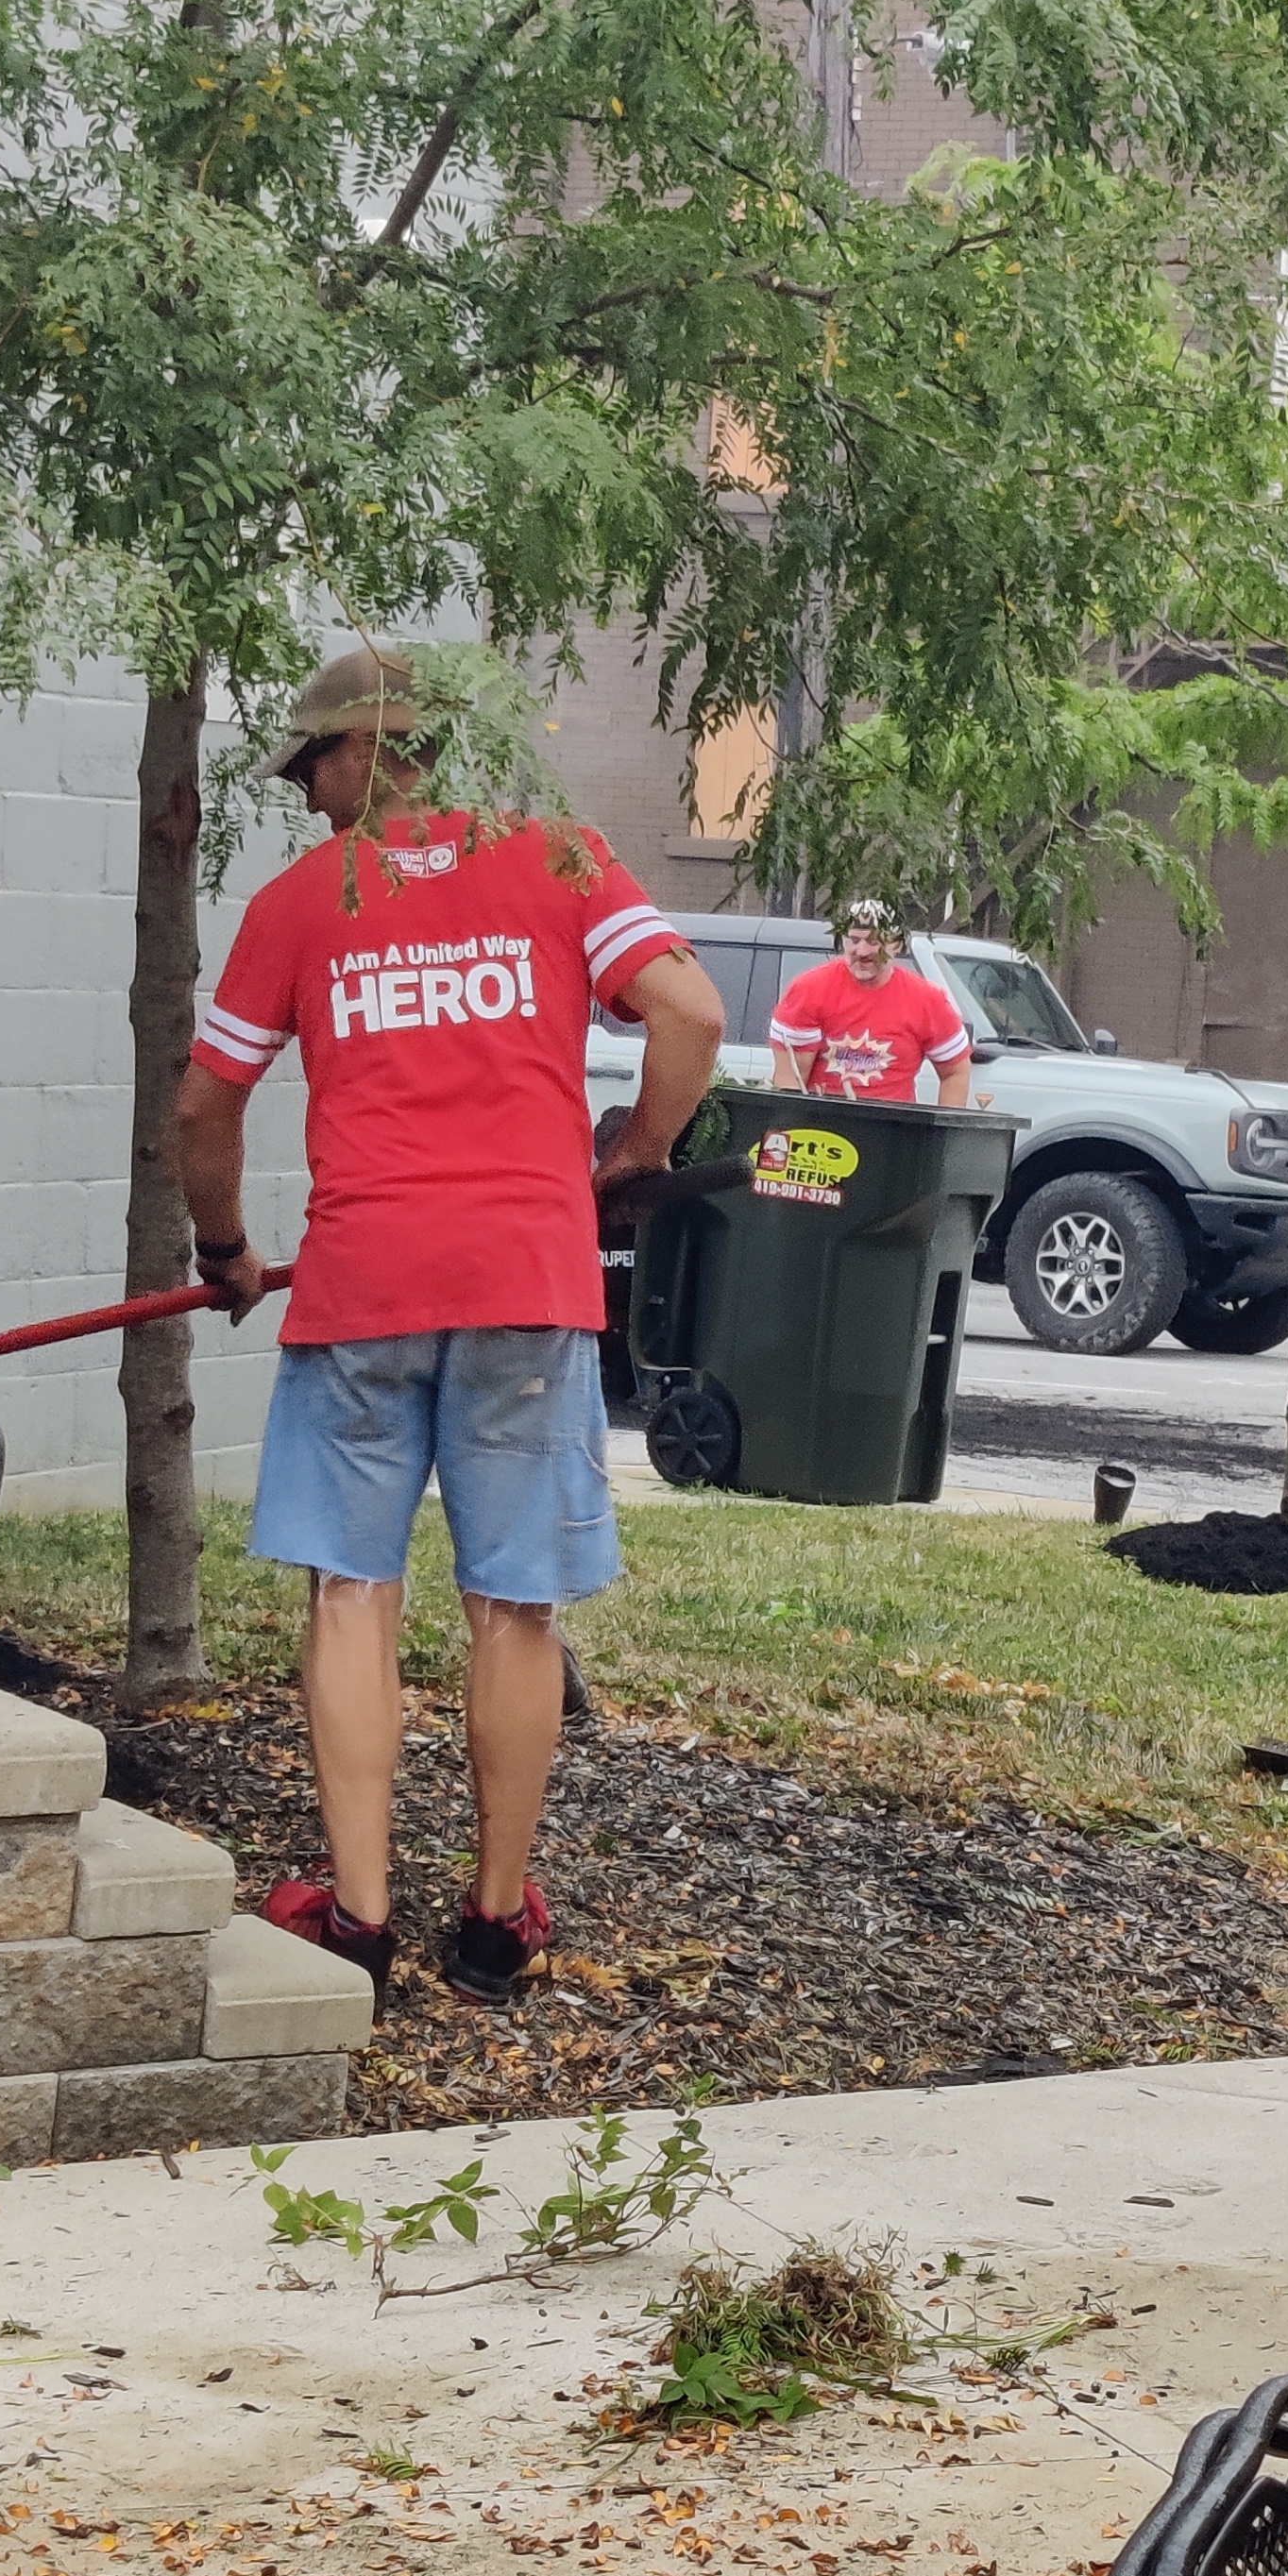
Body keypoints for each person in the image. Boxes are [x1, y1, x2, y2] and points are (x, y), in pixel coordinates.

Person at [176, 648, 724, 2008]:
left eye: (312, 772)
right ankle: (491, 1927)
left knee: (352, 1593)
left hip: (363, 1288)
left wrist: (228, 1249)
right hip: (526, 1288)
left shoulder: (306, 903)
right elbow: (692, 1012)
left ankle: (358, 1918)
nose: (308, 802)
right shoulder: (559, 859)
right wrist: (643, 1150)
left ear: (364, 757)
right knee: (513, 1604)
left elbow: (205, 1104)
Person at [768, 899, 976, 1108]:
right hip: (823, 1129)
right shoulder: (809, 991)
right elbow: (790, 1084)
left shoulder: (927, 1000)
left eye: (874, 942)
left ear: (896, 944)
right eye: (854, 940)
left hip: (893, 1130)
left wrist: (943, 1137)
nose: (862, 952)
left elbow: (955, 1072)